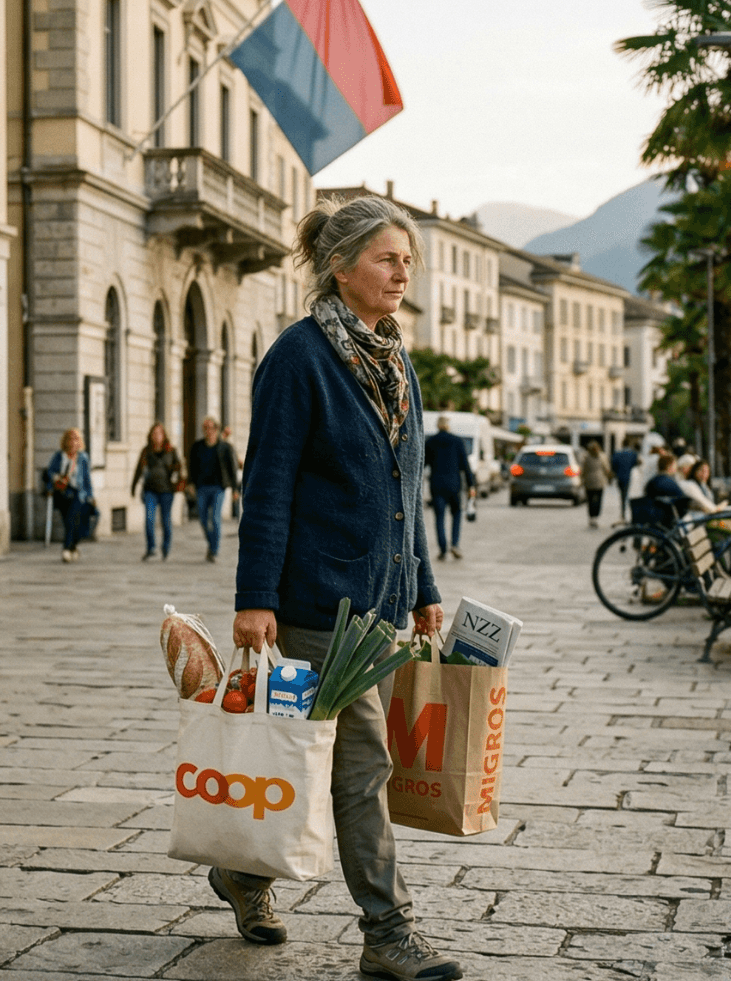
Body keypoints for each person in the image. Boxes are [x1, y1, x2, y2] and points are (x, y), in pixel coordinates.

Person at [227, 194, 462, 981]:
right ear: (340, 267)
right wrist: (254, 598)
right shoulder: (299, 359)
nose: (403, 273)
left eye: (407, 261)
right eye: (388, 259)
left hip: (384, 603)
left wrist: (424, 584)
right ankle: (387, 932)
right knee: (363, 764)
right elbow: (269, 487)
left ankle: (242, 872)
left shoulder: (394, 357)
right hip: (319, 601)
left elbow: (408, 489)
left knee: (318, 760)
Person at [187, 416, 240, 562]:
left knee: (215, 519)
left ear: (217, 429)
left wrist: (236, 489)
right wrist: (190, 483)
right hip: (202, 488)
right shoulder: (197, 447)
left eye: (211, 428)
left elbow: (232, 469)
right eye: (205, 428)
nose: (208, 431)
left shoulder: (225, 447)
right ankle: (211, 545)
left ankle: (214, 551)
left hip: (218, 488)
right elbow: (191, 467)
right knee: (203, 519)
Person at [423, 414, 474, 561]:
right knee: (456, 513)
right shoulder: (457, 441)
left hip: (437, 485)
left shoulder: (431, 442)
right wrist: (471, 484)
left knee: (439, 517)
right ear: (448, 425)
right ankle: (455, 544)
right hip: (454, 485)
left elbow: (423, 464)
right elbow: (465, 465)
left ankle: (443, 548)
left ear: (437, 425)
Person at [131, 423, 182, 561]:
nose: (157, 436)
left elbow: (178, 468)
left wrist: (178, 482)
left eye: (159, 433)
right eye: (154, 433)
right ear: (150, 435)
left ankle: (166, 548)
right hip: (150, 490)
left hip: (166, 491)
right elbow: (138, 469)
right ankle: (151, 548)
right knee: (149, 519)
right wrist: (133, 486)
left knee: (166, 521)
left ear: (164, 436)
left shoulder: (171, 451)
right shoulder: (146, 451)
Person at [43, 428, 94, 562]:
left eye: (76, 439)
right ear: (65, 441)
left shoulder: (83, 458)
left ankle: (66, 549)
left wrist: (91, 496)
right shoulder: (59, 456)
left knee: (73, 519)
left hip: (78, 492)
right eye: (70, 439)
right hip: (62, 492)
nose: (72, 442)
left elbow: (87, 478)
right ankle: (73, 548)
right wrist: (56, 478)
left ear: (79, 442)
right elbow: (49, 472)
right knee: (68, 522)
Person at [627, 450, 690, 528]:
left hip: (654, 517)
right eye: (675, 464)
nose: (676, 467)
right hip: (666, 519)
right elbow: (682, 499)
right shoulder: (668, 481)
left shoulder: (654, 480)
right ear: (669, 465)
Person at [581, 439, 613, 529]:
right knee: (598, 500)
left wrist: (582, 479)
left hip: (589, 481)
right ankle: (595, 517)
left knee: (590, 500)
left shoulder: (586, 457)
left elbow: (583, 470)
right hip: (599, 481)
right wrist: (609, 477)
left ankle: (591, 517)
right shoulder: (602, 456)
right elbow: (606, 468)